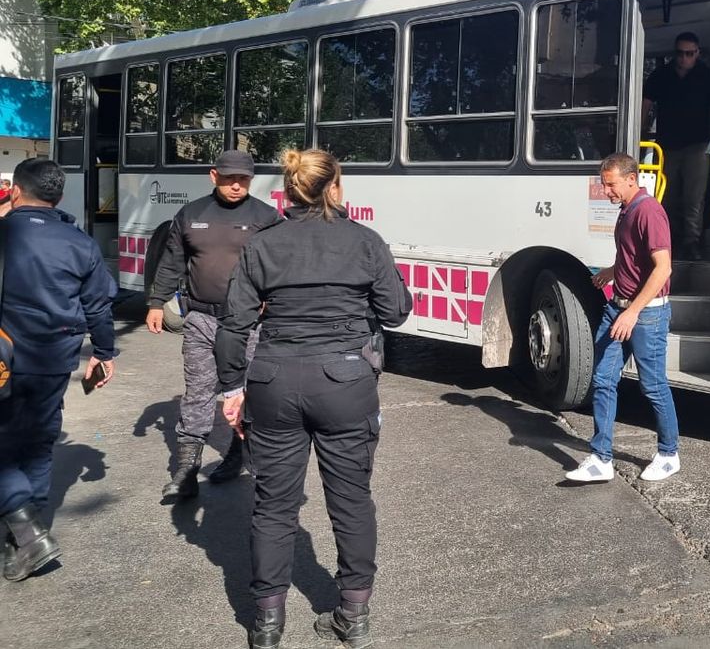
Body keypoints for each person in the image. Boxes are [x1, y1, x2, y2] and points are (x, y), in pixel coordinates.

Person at [215, 149, 411, 649]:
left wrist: (232, 390)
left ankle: (266, 624)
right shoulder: (364, 241)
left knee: (273, 505)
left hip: (273, 380)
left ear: (289, 190)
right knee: (351, 501)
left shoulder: (263, 243)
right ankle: (353, 615)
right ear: (335, 187)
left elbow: (234, 325)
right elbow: (395, 312)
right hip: (344, 381)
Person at [0, 158, 117, 581]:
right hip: (54, 359)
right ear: (60, 196)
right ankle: (23, 541)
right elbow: (98, 306)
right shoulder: (80, 242)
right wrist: (104, 352)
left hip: (4, 357)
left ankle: (27, 532)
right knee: (38, 444)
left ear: (15, 190)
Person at [146, 149, 278, 501]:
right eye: (230, 178)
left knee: (250, 392)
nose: (236, 185)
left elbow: (281, 264)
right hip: (201, 319)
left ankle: (240, 454)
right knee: (198, 391)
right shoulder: (191, 214)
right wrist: (157, 302)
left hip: (249, 323)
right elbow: (172, 261)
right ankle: (187, 471)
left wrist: (274, 299)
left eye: (243, 180)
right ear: (213, 176)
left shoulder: (267, 218)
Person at [568, 152, 680, 484]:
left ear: (632, 179)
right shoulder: (627, 210)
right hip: (618, 307)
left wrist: (632, 312)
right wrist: (612, 271)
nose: (606, 191)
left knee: (653, 386)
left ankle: (669, 454)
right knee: (603, 379)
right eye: (604, 185)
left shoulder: (649, 212)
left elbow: (663, 268)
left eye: (610, 185)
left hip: (646, 314)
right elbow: (634, 258)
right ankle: (601, 459)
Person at [642, 32, 710, 260]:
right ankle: (667, 241)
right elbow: (645, 104)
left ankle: (691, 242)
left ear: (697, 53)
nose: (684, 58)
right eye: (680, 53)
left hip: (697, 146)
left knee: (693, 198)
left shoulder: (708, 77)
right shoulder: (661, 75)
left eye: (689, 53)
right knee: (665, 196)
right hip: (666, 146)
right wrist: (638, 131)